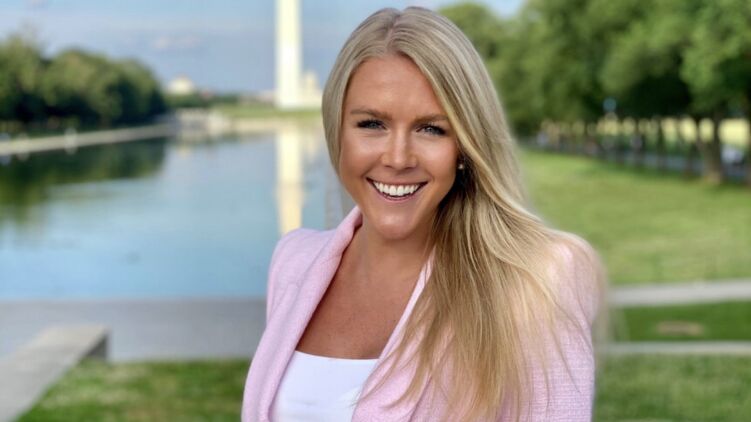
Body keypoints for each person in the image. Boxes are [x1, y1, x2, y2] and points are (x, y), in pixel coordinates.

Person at [242, 6, 605, 422]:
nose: (398, 158)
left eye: (431, 129)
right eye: (372, 124)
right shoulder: (294, 260)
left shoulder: (536, 280)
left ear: (464, 147)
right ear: (336, 130)